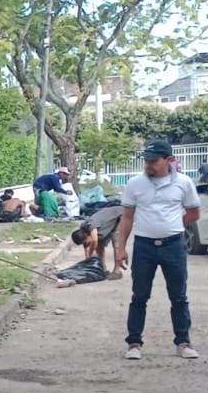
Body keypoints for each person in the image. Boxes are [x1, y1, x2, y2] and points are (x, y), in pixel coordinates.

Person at [117, 140, 200, 360]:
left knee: (179, 296)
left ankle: (183, 342)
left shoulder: (183, 183)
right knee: (140, 296)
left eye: (153, 161)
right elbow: (126, 218)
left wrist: (174, 224)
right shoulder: (135, 183)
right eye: (146, 160)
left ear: (168, 160)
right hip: (144, 246)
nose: (148, 165)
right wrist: (121, 249)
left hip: (173, 245)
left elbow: (194, 212)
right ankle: (134, 343)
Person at [69, 203, 126, 279]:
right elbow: (86, 246)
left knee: (116, 245)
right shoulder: (82, 229)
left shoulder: (91, 225)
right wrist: (88, 261)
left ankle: (117, 271)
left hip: (119, 216)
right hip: (106, 223)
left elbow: (94, 240)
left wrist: (90, 252)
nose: (86, 244)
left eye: (86, 242)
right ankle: (103, 269)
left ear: (86, 235)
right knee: (99, 246)